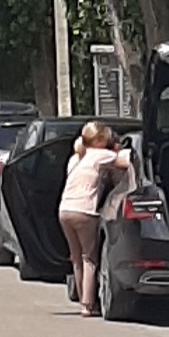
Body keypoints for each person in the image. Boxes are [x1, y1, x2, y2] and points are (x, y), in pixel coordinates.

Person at [58, 120, 132, 315]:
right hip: (85, 210)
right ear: (99, 140)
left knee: (76, 258)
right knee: (89, 258)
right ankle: (88, 305)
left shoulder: (76, 159)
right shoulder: (100, 155)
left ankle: (83, 300)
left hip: (65, 209)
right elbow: (127, 160)